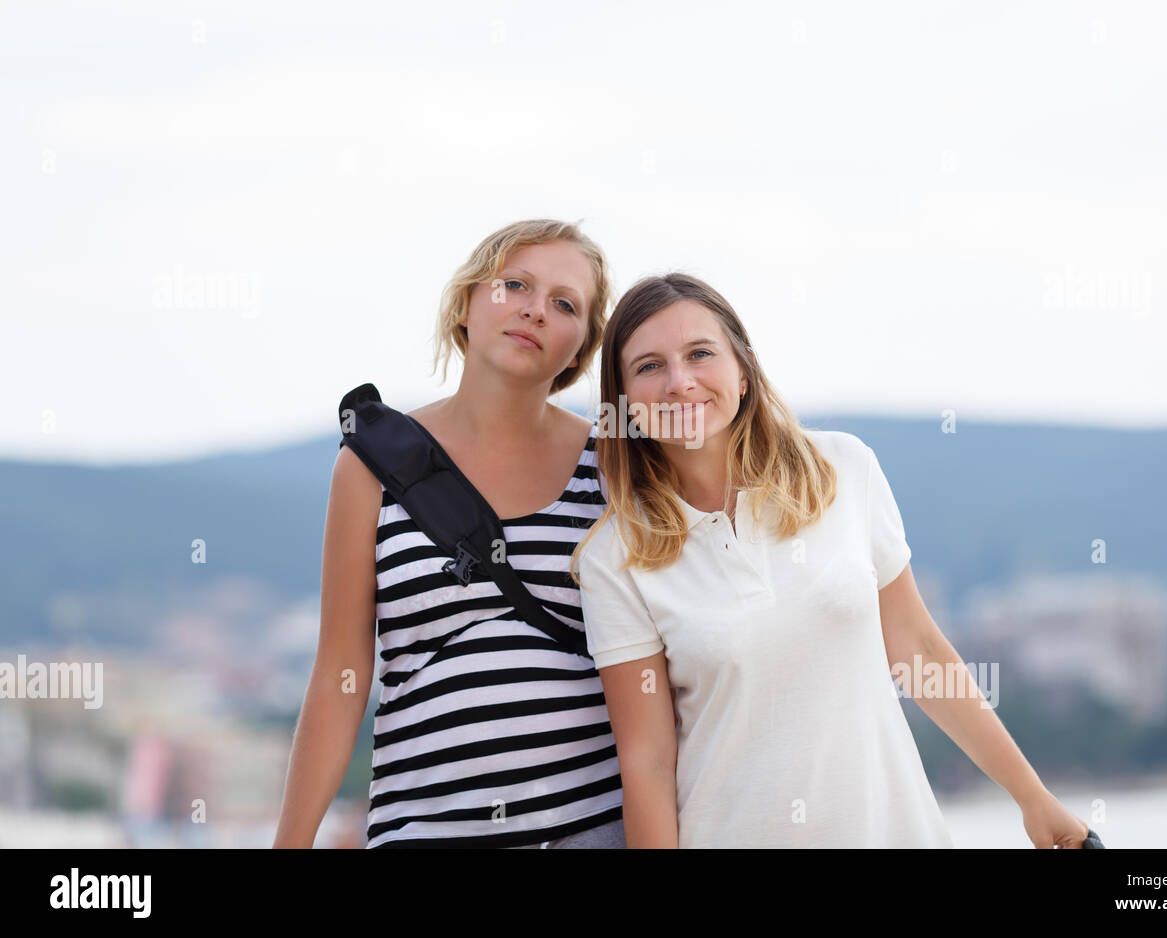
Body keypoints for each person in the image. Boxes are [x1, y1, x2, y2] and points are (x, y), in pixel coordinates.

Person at [571, 272, 1092, 848]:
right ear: (622, 402)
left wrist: (1032, 798)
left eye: (700, 353)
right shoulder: (614, 557)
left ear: (742, 372)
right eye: (649, 366)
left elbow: (918, 651)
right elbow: (646, 760)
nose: (679, 382)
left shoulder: (845, 470)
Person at [274, 219, 626, 848]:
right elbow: (340, 674)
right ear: (467, 303)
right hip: (422, 831)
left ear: (580, 349)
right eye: (514, 284)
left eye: (564, 303)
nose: (534, 310)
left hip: (590, 829)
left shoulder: (615, 468)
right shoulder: (372, 465)